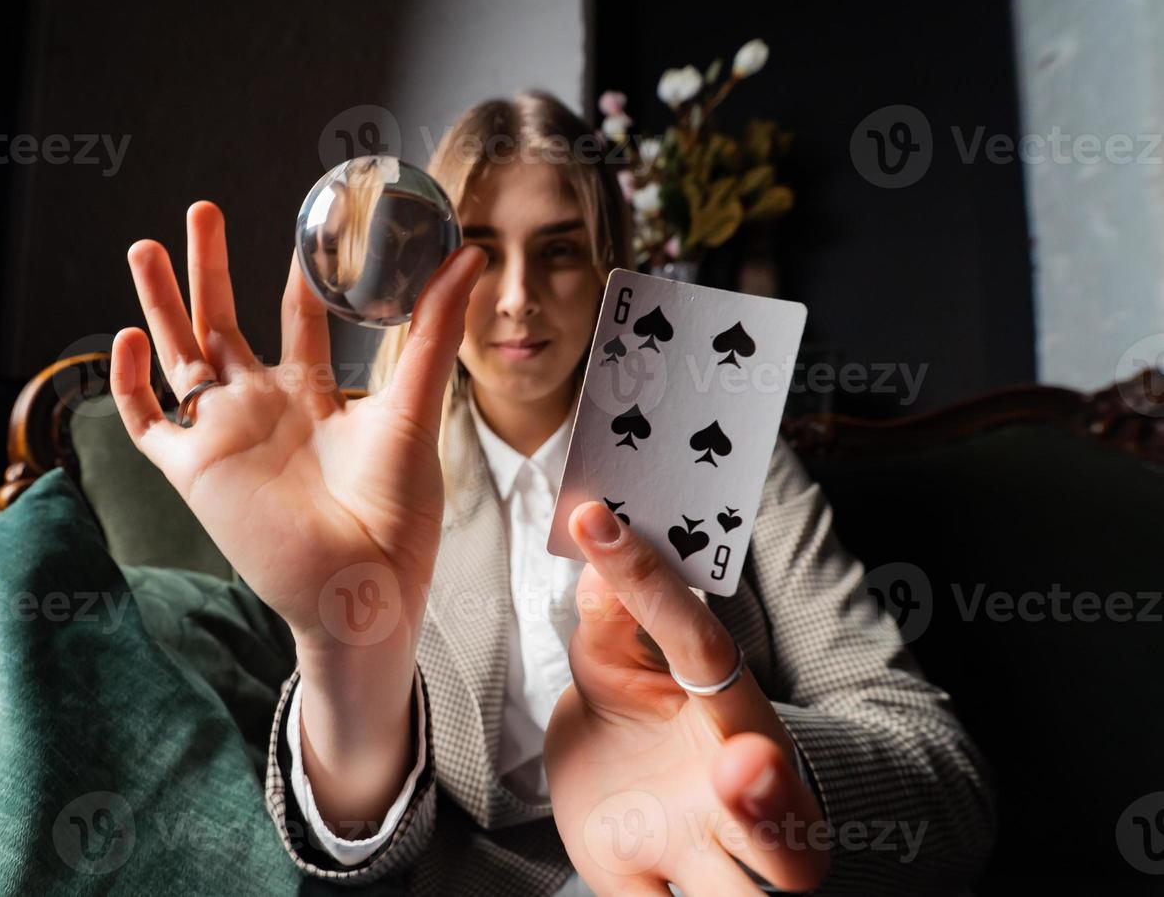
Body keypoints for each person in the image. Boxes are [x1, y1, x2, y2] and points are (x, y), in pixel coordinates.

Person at [109, 91, 996, 895]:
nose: (518, 299)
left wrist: (753, 772)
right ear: (424, 273)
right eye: (480, 254)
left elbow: (943, 785)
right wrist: (350, 654)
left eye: (561, 252)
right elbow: (359, 848)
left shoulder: (718, 435)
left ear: (614, 264)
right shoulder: (350, 482)